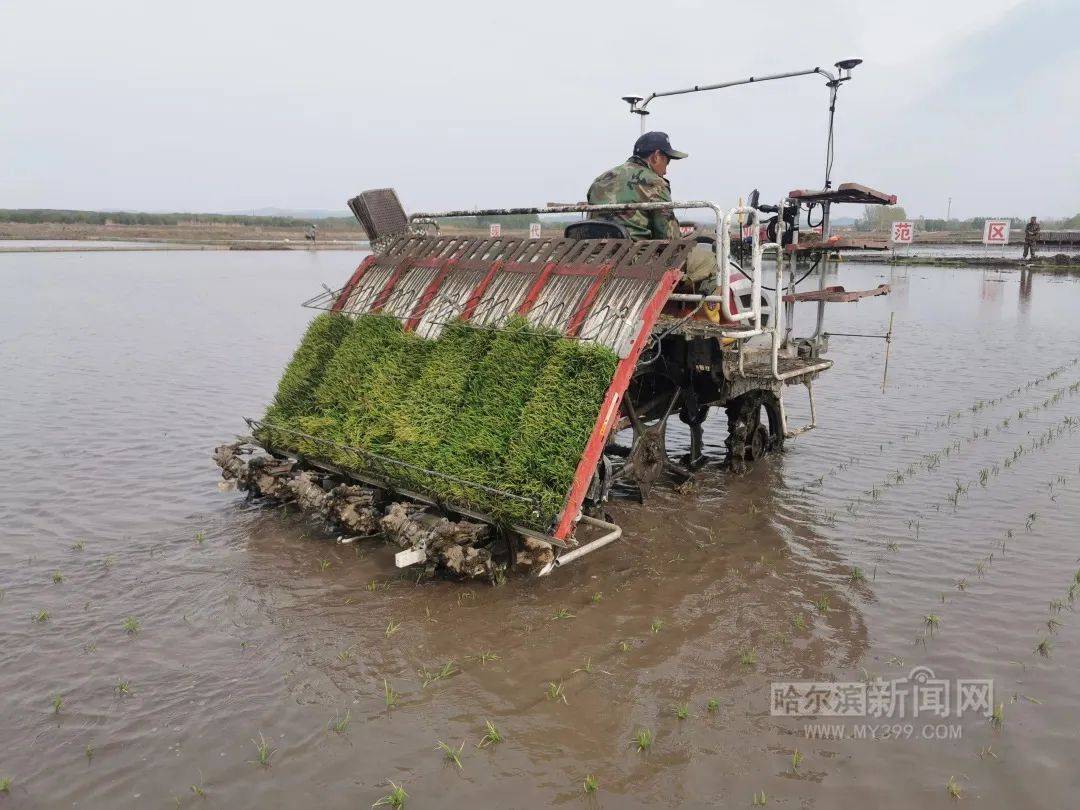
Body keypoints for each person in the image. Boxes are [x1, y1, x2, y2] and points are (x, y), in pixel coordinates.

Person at [587, 131, 716, 292]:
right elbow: (670, 241)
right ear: (656, 156)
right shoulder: (654, 182)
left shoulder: (601, 180)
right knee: (708, 258)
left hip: (597, 256)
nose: (665, 171)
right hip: (636, 261)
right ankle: (696, 312)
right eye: (666, 163)